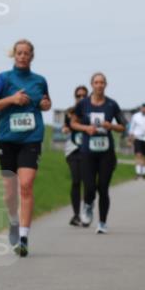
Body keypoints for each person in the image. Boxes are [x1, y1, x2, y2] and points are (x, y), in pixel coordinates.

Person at [0, 39, 51, 257]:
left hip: (32, 139)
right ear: (14, 55)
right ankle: (13, 221)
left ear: (32, 56)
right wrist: (12, 99)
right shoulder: (4, 78)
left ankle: (23, 236)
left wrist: (45, 104)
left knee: (26, 184)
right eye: (19, 53)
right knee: (10, 192)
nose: (22, 56)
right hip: (7, 139)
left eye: (26, 53)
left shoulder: (40, 81)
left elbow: (46, 102)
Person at [70, 72, 125, 233]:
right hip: (87, 151)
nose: (99, 85)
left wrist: (111, 126)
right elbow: (73, 123)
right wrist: (86, 128)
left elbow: (123, 126)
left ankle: (102, 222)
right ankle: (87, 204)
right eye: (96, 82)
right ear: (92, 85)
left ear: (105, 85)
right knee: (89, 186)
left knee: (103, 187)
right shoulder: (83, 104)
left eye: (102, 82)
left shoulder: (112, 105)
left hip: (106, 152)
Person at [64, 86, 88, 226]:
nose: (81, 98)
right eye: (78, 96)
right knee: (76, 181)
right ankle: (76, 215)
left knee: (87, 183)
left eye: (84, 95)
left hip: (88, 150)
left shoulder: (92, 111)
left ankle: (86, 213)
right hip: (72, 150)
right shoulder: (70, 112)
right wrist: (65, 128)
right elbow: (65, 127)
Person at [127, 103, 145, 180]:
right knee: (138, 154)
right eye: (142, 108)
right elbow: (131, 128)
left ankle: (144, 173)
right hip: (138, 138)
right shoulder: (136, 116)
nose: (144, 109)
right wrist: (130, 139)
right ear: (141, 109)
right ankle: (138, 173)